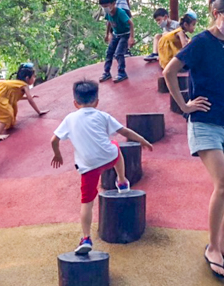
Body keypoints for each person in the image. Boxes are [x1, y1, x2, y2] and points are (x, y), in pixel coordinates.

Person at [163, 0, 224, 280]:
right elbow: (169, 71)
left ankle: (223, 243)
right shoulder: (200, 42)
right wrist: (184, 105)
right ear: (216, 13)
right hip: (203, 122)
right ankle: (212, 247)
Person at [50, 80, 153, 255]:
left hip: (88, 166)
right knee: (115, 146)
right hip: (108, 157)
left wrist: (57, 154)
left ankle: (86, 238)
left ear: (75, 103)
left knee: (87, 202)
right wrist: (143, 140)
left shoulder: (69, 118)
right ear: (97, 101)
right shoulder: (103, 115)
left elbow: (54, 140)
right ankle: (121, 180)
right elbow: (125, 132)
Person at [0, 64, 48, 142]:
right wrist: (39, 112)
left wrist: (29, 96)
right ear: (27, 78)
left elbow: (16, 97)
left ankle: (6, 126)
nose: (35, 78)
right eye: (34, 77)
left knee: (12, 110)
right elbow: (30, 101)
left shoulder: (18, 83)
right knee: (7, 114)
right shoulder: (24, 85)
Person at [99, 0, 135, 83]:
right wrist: (107, 34)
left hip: (125, 34)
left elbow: (131, 24)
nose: (105, 8)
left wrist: (131, 37)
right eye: (103, 7)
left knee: (119, 53)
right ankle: (106, 72)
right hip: (116, 34)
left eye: (106, 6)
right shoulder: (108, 13)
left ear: (113, 3)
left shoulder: (120, 13)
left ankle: (122, 73)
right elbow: (109, 23)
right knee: (109, 52)